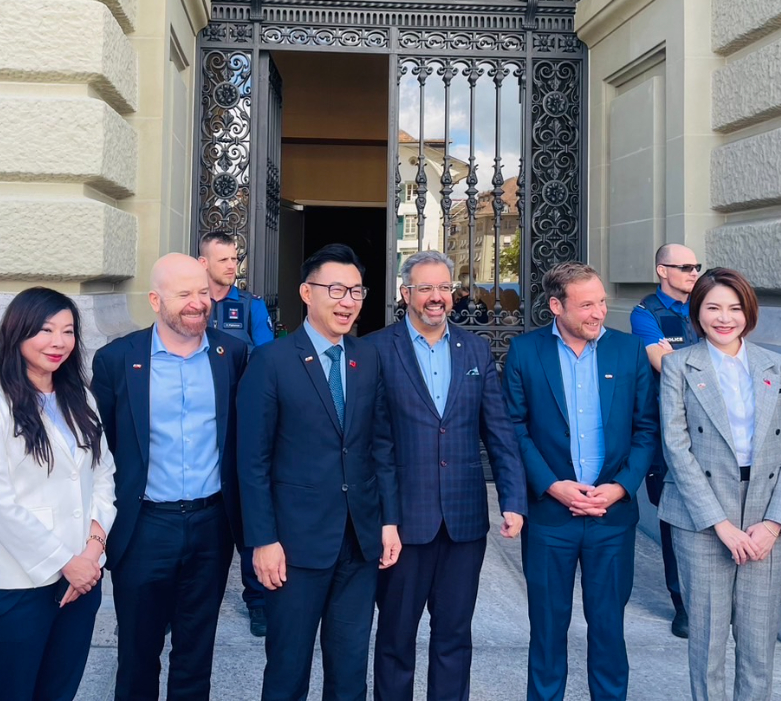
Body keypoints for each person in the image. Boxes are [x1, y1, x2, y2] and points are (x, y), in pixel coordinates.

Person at [237, 243, 402, 701]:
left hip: (359, 542)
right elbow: (252, 461)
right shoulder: (271, 361)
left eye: (356, 291)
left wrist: (389, 520)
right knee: (288, 670)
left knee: (350, 672)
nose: (347, 301)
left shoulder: (367, 357)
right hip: (294, 546)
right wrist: (262, 540)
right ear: (306, 293)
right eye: (336, 289)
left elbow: (380, 445)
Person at [366, 250, 527, 701]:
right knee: (396, 640)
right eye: (425, 289)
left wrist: (513, 499)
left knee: (454, 636)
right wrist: (384, 518)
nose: (436, 297)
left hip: (464, 522)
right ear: (405, 294)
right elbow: (372, 443)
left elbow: (498, 430)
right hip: (404, 523)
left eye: (443, 287)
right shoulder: (377, 349)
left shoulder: (475, 347)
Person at [91, 254, 249, 701]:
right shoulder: (117, 360)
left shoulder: (232, 355)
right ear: (156, 300)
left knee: (196, 654)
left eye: (203, 292)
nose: (198, 303)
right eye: (185, 294)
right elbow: (100, 450)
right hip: (143, 528)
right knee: (138, 654)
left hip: (210, 527)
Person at [503, 262, 657, 701]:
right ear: (556, 306)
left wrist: (621, 487)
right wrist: (552, 485)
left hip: (612, 516)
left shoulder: (628, 352)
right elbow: (514, 427)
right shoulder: (526, 352)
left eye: (602, 301)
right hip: (551, 516)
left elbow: (647, 428)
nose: (598, 312)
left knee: (608, 628)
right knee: (548, 628)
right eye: (587, 304)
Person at [0, 287, 117, 701]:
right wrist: (67, 562)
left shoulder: (80, 399)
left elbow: (104, 477)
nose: (58, 342)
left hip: (80, 585)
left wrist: (92, 553)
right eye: (46, 330)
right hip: (16, 591)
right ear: (18, 333)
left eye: (68, 331)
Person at [658, 267, 781, 701]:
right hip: (701, 514)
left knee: (758, 644)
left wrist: (774, 524)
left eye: (735, 308)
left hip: (766, 511)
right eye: (713, 308)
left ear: (749, 312)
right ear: (697, 312)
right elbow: (676, 448)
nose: (725, 318)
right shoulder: (679, 365)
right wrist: (719, 524)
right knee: (706, 643)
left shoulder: (776, 367)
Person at [198, 228, 275, 636]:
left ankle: (258, 598)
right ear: (203, 263)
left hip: (240, 424)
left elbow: (266, 360)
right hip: (196, 426)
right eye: (224, 259)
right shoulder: (187, 303)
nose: (232, 266)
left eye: (235, 259)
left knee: (248, 515)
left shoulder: (248, 307)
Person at [628, 243, 701, 638]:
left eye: (696, 266)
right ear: (662, 270)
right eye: (684, 267)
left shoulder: (706, 307)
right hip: (669, 430)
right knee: (674, 516)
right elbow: (663, 362)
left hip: (712, 428)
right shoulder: (645, 314)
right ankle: (683, 603)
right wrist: (711, 369)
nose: (693, 273)